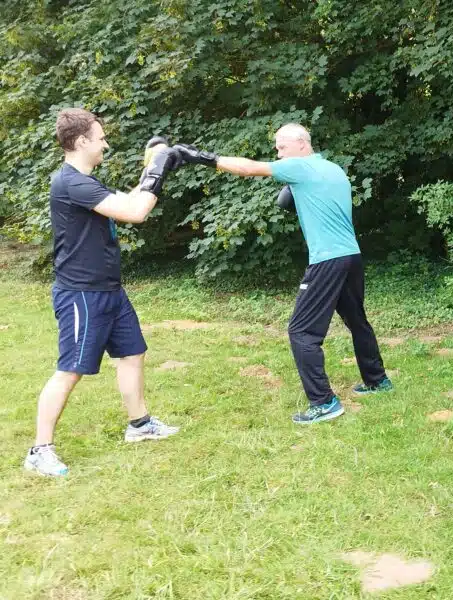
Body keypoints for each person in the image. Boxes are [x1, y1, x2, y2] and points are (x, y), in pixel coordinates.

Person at [172, 125, 391, 424]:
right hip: (350, 255)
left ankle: (324, 402)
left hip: (327, 259)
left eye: (281, 146)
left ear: (301, 143)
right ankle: (377, 380)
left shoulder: (300, 167)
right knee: (357, 321)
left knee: (301, 331)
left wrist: (202, 158)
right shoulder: (333, 169)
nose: (278, 152)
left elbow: (248, 169)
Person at [25, 109, 181, 477]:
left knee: (132, 353)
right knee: (70, 370)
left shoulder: (86, 182)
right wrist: (158, 169)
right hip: (82, 294)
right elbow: (136, 212)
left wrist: (150, 170)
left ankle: (140, 424)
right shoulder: (71, 183)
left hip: (109, 288)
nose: (105, 144)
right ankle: (39, 450)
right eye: (100, 138)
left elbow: (127, 201)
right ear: (81, 141)